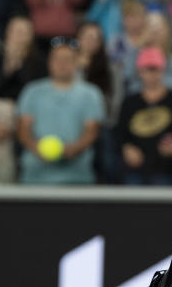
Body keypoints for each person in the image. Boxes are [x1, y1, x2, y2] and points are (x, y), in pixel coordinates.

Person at [16, 38, 105, 184]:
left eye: (67, 59)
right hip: (35, 178)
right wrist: (37, 149)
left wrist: (74, 149)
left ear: (76, 63)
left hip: (77, 178)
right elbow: (23, 130)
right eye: (57, 59)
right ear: (49, 63)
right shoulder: (32, 92)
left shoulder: (91, 94)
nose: (62, 64)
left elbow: (92, 130)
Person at [117, 47, 172, 185]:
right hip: (135, 171)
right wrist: (126, 148)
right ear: (140, 72)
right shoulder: (129, 103)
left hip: (167, 171)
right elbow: (119, 134)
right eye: (147, 69)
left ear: (163, 70)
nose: (152, 75)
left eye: (155, 69)